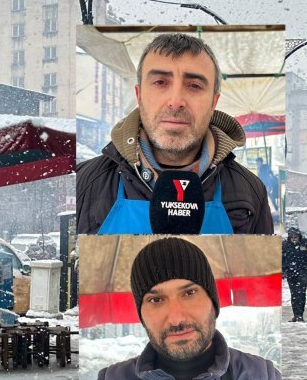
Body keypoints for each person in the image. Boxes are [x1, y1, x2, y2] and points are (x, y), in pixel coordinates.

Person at [79, 238, 281, 380]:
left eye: (190, 293)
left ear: (213, 301)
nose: (176, 318)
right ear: (141, 314)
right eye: (156, 299)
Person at [76, 33, 272, 235]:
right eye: (160, 82)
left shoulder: (250, 191)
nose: (176, 100)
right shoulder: (84, 182)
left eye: (194, 86)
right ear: (139, 95)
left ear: (214, 102)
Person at [284, 227, 307, 322]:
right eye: (292, 237)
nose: (294, 238)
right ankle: (296, 315)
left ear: (299, 237)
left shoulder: (305, 244)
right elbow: (282, 259)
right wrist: (284, 270)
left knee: (301, 294)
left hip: (303, 273)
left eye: (296, 236)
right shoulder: (285, 246)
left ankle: (300, 315)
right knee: (293, 295)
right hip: (291, 274)